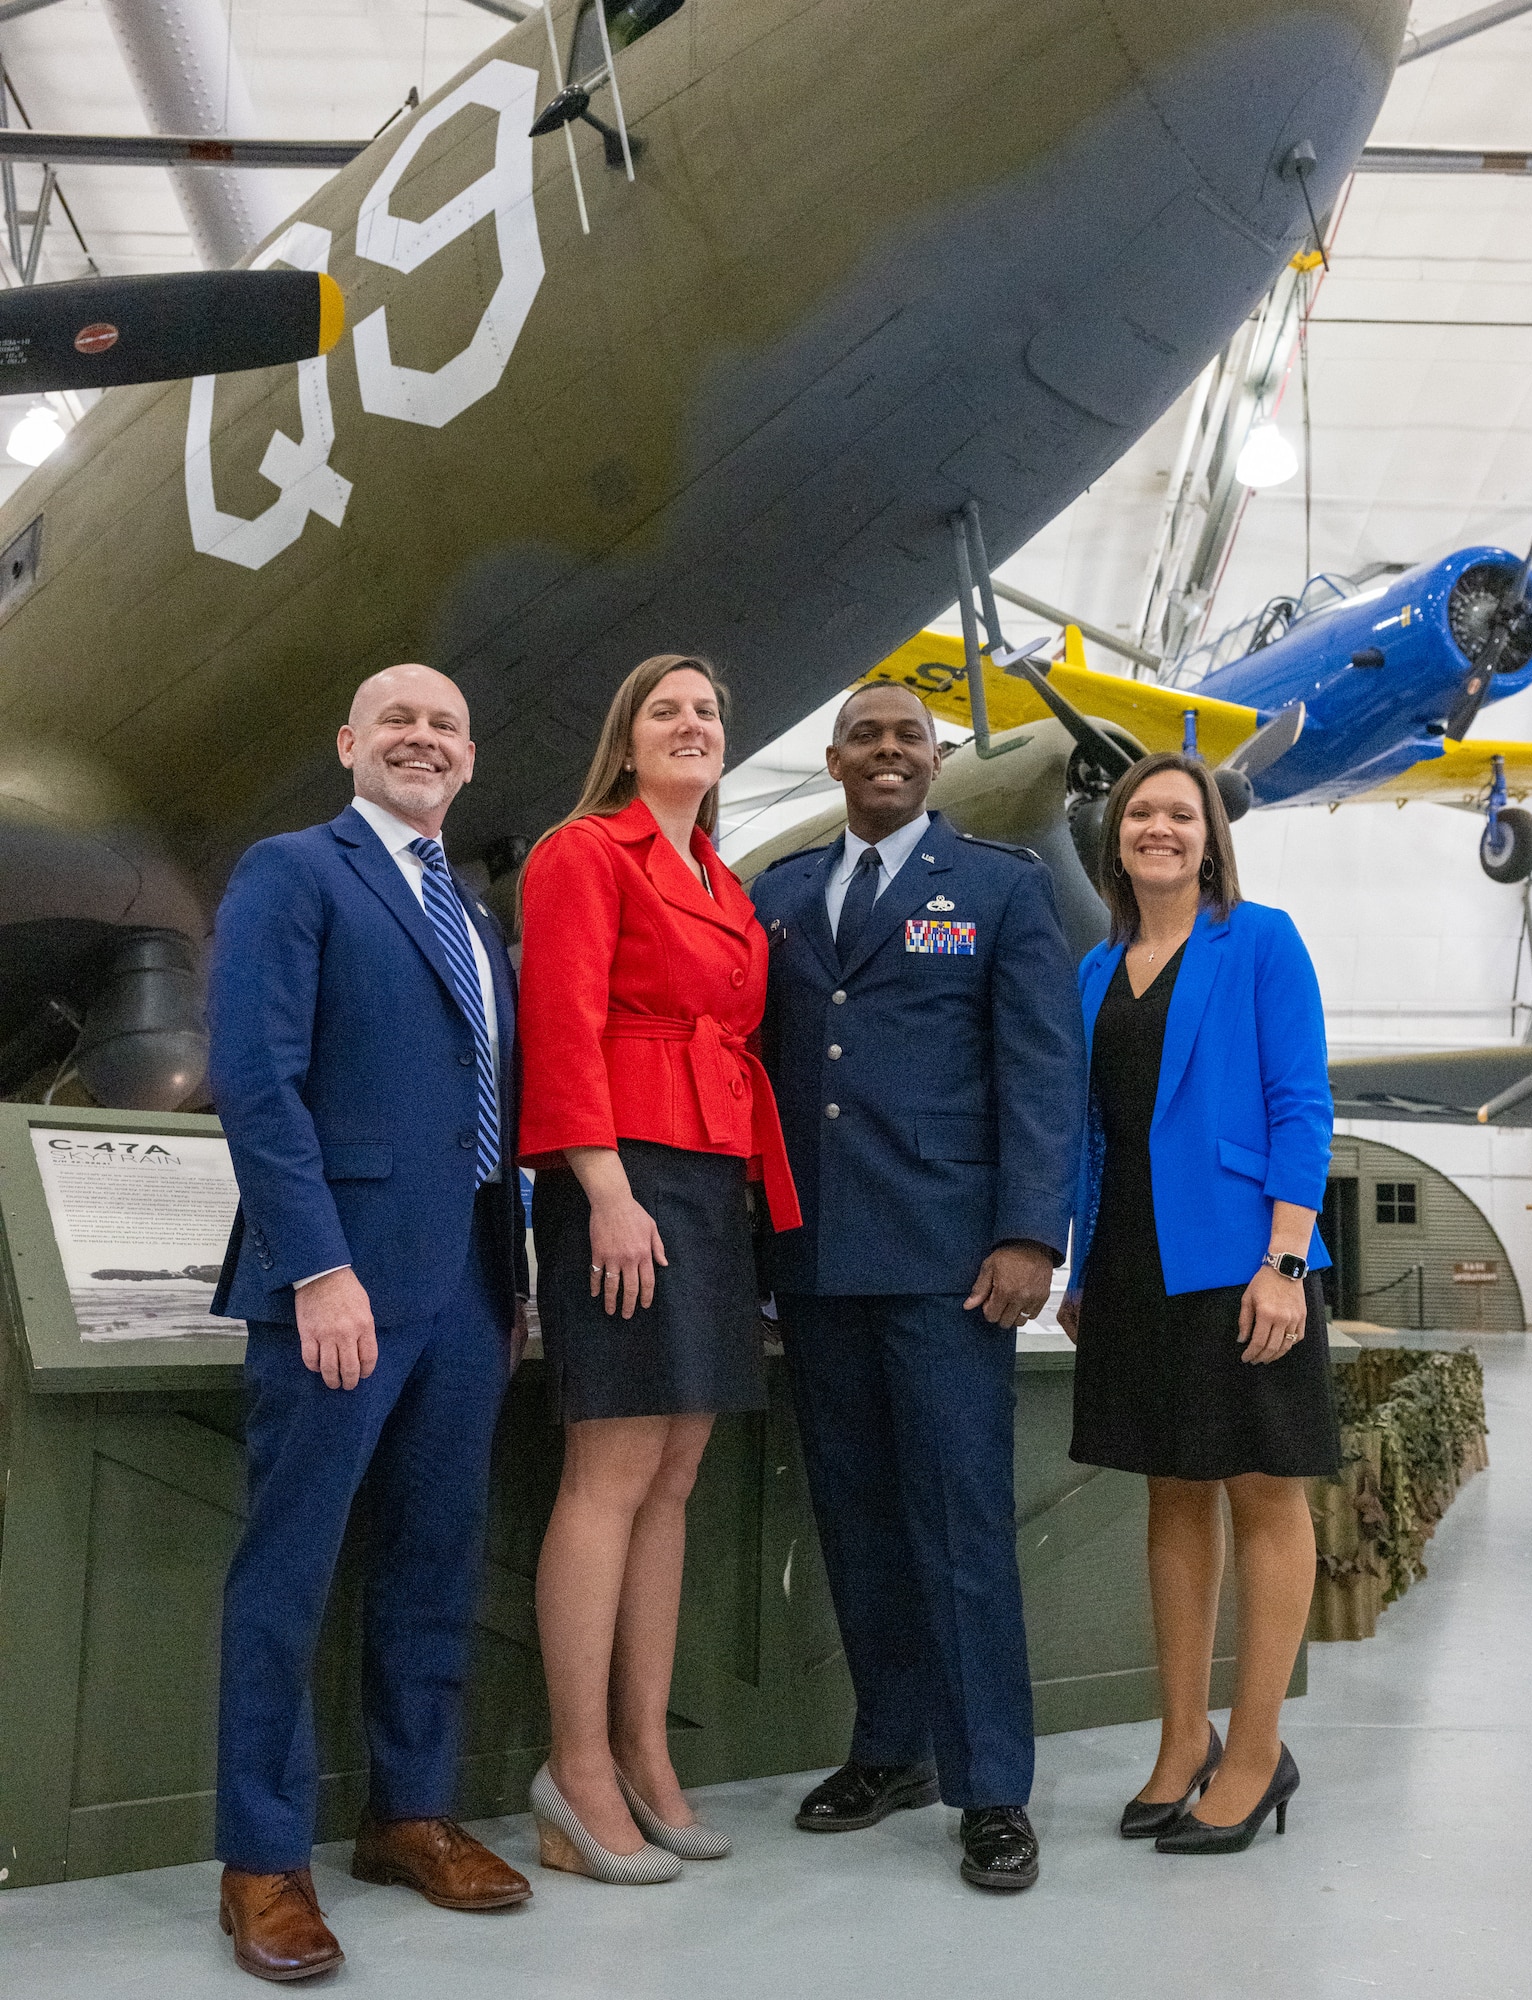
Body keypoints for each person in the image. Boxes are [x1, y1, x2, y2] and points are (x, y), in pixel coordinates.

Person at [207, 665, 532, 1982]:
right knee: (290, 1573)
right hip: (337, 1286)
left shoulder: (470, 908)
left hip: (467, 1286)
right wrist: (315, 1267)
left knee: (436, 1558)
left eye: (447, 724)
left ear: (467, 759)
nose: (423, 738)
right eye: (397, 719)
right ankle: (261, 1860)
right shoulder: (294, 874)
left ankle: (407, 1812)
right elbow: (257, 1083)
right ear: (349, 743)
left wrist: (507, 1282)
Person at [750, 682, 1084, 1894]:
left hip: (952, 1265)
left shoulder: (999, 887)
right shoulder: (779, 895)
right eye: (866, 736)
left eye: (909, 738)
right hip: (819, 1263)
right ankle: (888, 1746)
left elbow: (1040, 1072)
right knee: (857, 1521)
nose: (887, 751)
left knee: (961, 1529)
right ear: (834, 758)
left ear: (935, 761)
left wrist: (1027, 1235)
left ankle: (991, 1783)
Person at [517, 653, 800, 1884]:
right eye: (665, 710)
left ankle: (644, 1746)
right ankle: (574, 1765)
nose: (692, 724)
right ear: (626, 742)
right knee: (612, 1466)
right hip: (619, 1175)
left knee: (675, 1472)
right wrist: (605, 1188)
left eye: (707, 713)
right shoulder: (585, 850)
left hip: (708, 1177)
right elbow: (564, 1020)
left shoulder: (724, 886)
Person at [1060, 750, 1338, 1857]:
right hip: (1132, 1255)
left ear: (1213, 837)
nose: (1160, 827)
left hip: (1239, 1254)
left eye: (1182, 812)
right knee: (1172, 1489)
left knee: (1263, 1488)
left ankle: (1259, 1749)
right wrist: (1080, 1268)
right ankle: (1183, 1739)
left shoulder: (1260, 939)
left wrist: (1286, 1258)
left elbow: (1300, 1099)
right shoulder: (1094, 968)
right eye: (1140, 813)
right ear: (1115, 837)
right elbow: (1092, 1130)